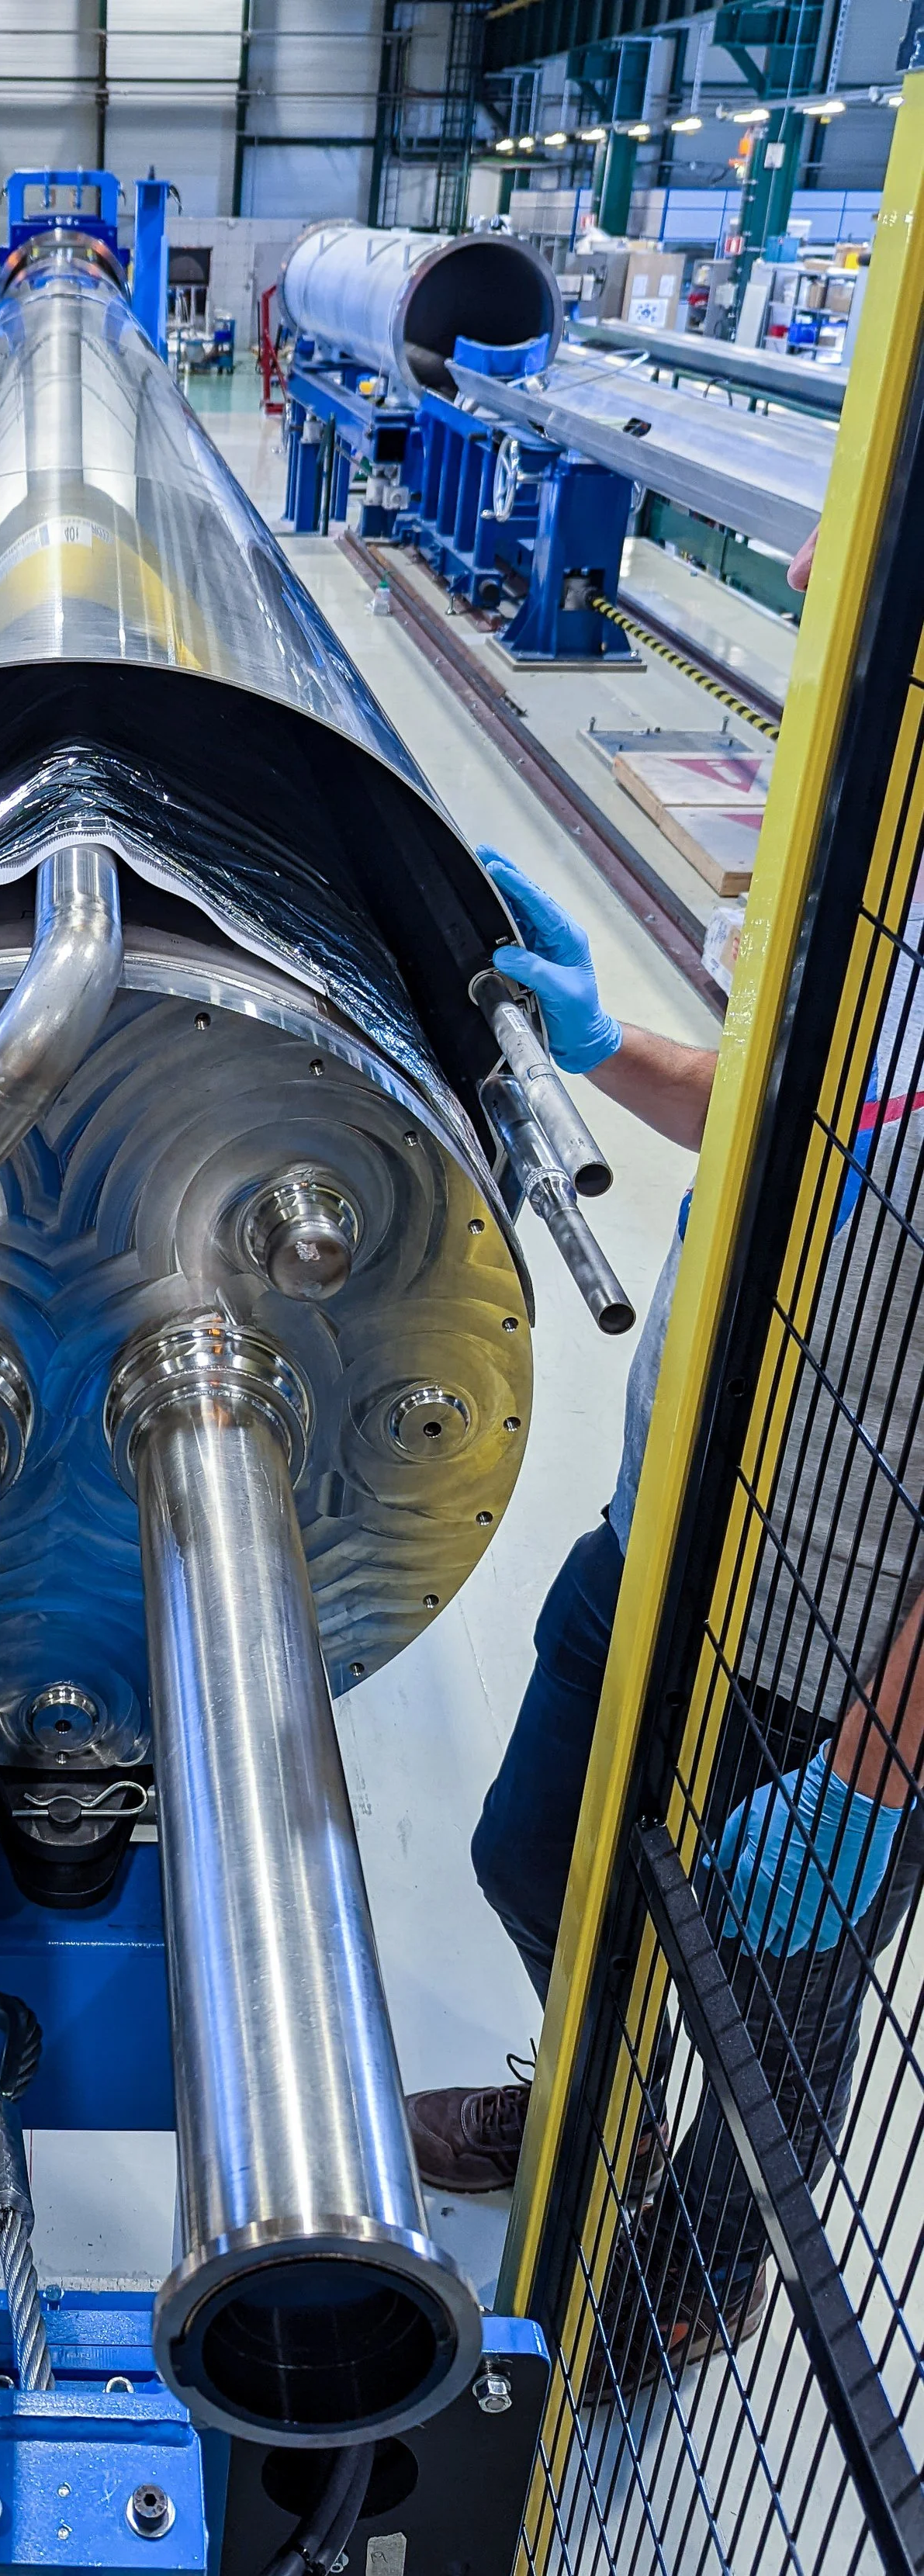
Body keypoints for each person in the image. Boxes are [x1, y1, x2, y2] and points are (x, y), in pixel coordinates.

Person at [409, 829, 924, 2388]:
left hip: (829, 1669)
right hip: (653, 1555)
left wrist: (865, 1775)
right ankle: (594, 2107)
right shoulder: (895, 912)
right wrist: (600, 1044)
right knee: (525, 1852)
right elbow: (785, 1119)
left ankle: (702, 2268)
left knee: (767, 2034)